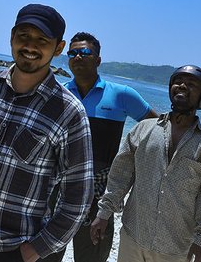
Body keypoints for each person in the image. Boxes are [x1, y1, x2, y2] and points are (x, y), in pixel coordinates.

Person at [0, 4, 94, 262]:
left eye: (42, 40)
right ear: (11, 37)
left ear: (58, 48)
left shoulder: (69, 112)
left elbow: (78, 197)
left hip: (9, 249)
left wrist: (35, 250)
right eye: (24, 36)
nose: (30, 46)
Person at [91, 65, 201, 262]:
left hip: (175, 247)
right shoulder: (143, 130)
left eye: (191, 84)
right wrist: (104, 212)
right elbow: (120, 175)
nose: (182, 85)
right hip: (133, 236)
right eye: (178, 81)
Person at [43, 32, 158, 262]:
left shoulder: (122, 95)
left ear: (97, 59)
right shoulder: (59, 93)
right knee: (46, 254)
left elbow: (156, 129)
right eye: (73, 52)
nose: (78, 56)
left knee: (92, 255)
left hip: (99, 193)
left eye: (84, 52)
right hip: (58, 189)